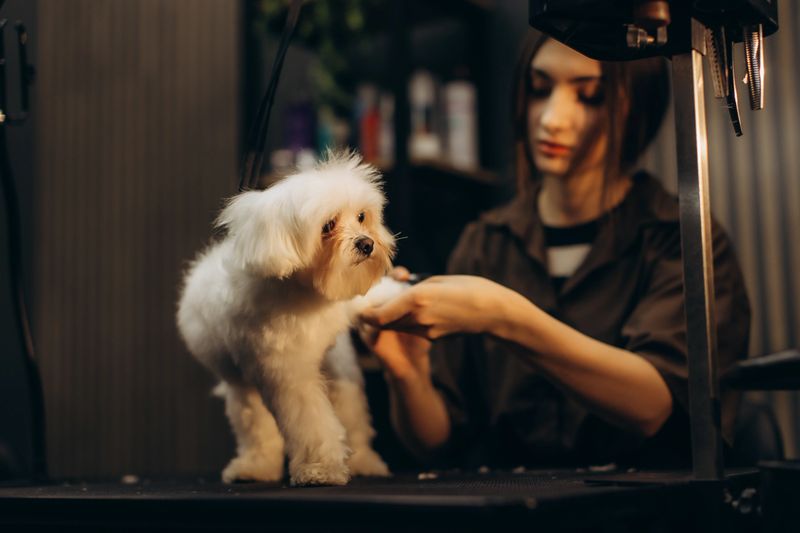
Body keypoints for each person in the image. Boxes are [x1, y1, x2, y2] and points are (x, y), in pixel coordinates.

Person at [359, 34, 751, 469]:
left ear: (637, 109)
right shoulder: (486, 243)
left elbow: (654, 404)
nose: (551, 118)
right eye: (540, 89)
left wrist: (504, 316)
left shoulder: (678, 240)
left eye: (590, 97)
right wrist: (407, 375)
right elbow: (437, 441)